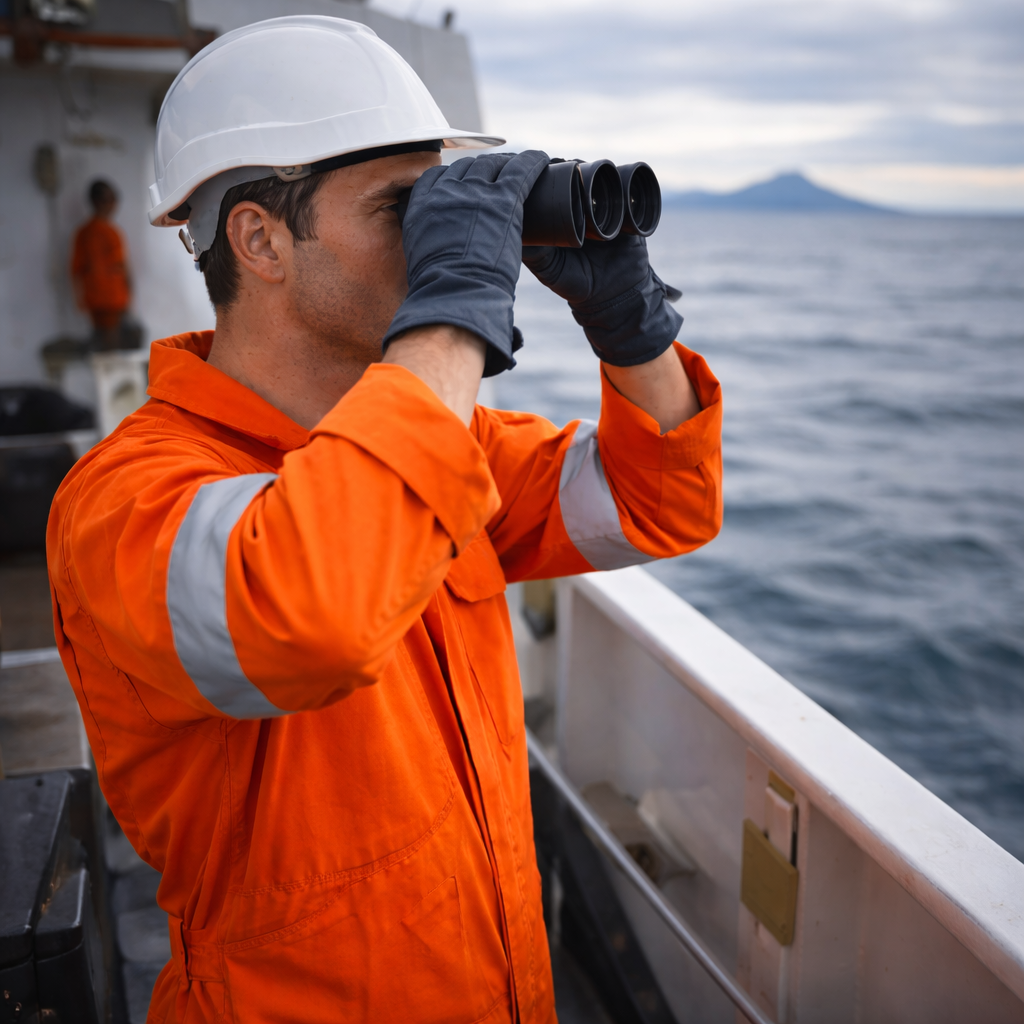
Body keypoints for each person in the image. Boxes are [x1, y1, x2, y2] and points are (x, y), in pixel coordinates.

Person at [47, 17, 722, 1024]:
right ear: (260, 241)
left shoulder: (447, 440)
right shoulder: (121, 500)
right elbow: (308, 612)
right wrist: (454, 306)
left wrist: (633, 326)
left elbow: (654, 504)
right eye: (404, 208)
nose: (443, 238)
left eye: (446, 206)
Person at [70, 179, 133, 350]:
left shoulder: (109, 232)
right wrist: (78, 298)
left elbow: (122, 267)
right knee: (108, 342)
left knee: (107, 342)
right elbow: (76, 269)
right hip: (102, 298)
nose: (112, 205)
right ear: (95, 202)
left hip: (108, 298)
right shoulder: (87, 233)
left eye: (113, 199)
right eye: (107, 200)